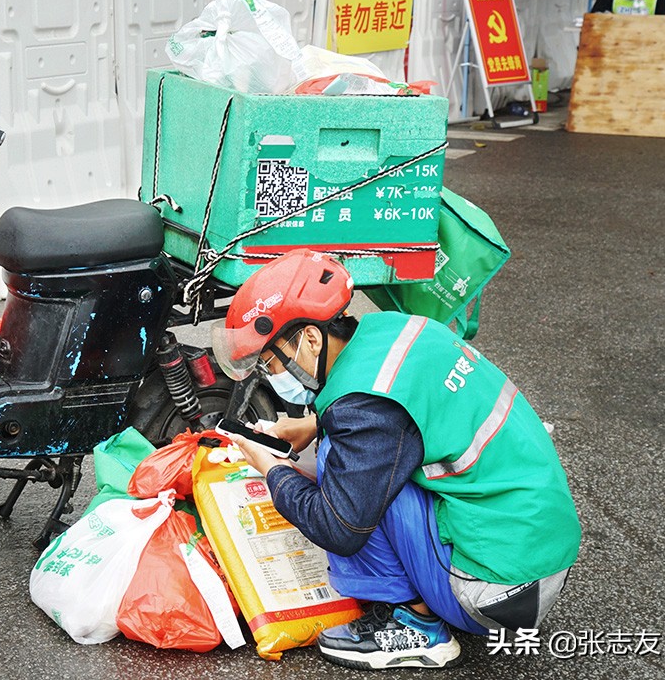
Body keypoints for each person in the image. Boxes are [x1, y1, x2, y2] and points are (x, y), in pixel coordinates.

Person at [211, 250, 580, 671]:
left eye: (272, 361)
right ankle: (425, 601)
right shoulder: (389, 331)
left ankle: (417, 629)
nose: (271, 373)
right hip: (538, 553)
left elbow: (338, 528)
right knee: (344, 448)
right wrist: (314, 425)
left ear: (311, 339)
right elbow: (407, 413)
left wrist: (272, 468)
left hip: (496, 591)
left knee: (339, 467)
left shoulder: (363, 412)